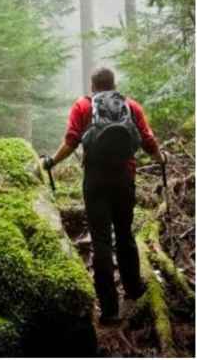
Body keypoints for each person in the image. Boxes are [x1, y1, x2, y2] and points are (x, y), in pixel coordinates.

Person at [41, 67, 165, 325]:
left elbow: (72, 141)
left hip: (96, 180)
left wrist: (51, 162)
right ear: (114, 84)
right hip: (124, 178)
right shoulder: (130, 106)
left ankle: (109, 310)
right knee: (125, 234)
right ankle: (133, 291)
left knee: (100, 241)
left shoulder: (83, 106)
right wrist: (160, 158)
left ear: (93, 86)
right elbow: (147, 140)